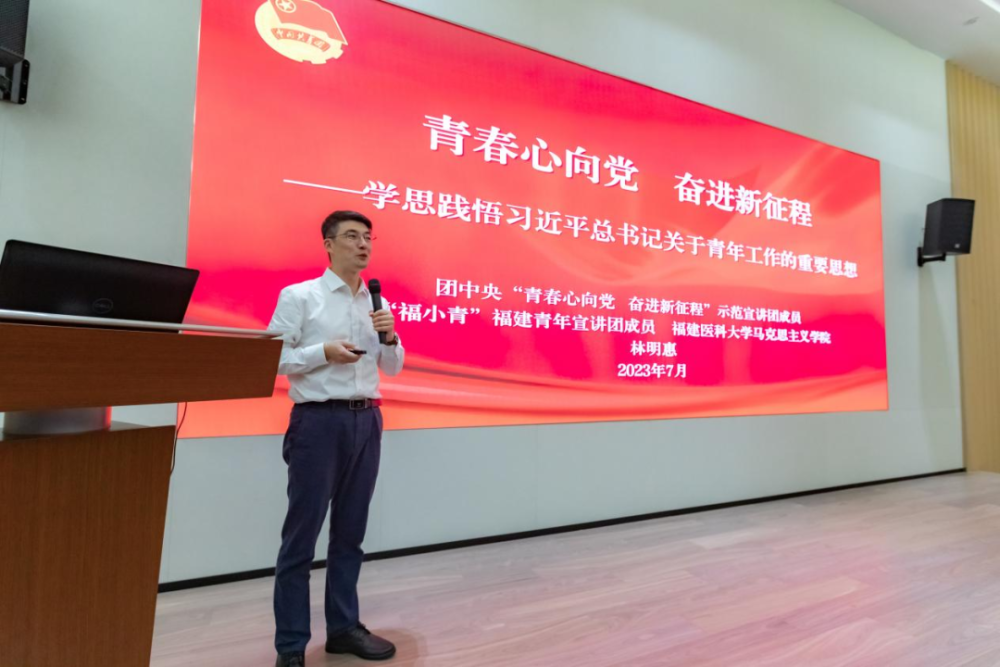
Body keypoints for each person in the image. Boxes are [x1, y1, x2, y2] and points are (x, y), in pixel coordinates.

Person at [268, 210, 403, 667]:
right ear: (328, 244)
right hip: (318, 423)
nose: (363, 244)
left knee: (350, 534)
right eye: (351, 236)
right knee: (301, 539)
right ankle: (290, 646)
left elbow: (392, 368)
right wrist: (322, 352)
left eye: (368, 237)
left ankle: (343, 629)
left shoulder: (376, 303)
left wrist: (390, 337)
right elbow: (273, 358)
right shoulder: (300, 296)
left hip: (367, 420)